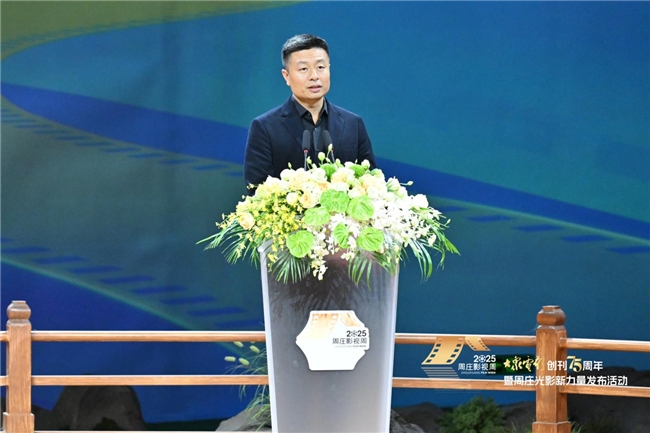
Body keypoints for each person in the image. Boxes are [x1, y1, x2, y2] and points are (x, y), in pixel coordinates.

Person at [243, 34, 376, 192]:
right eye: (304, 69)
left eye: (320, 67)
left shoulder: (353, 123)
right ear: (286, 76)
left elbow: (371, 184)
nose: (314, 76)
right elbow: (257, 190)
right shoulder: (265, 127)